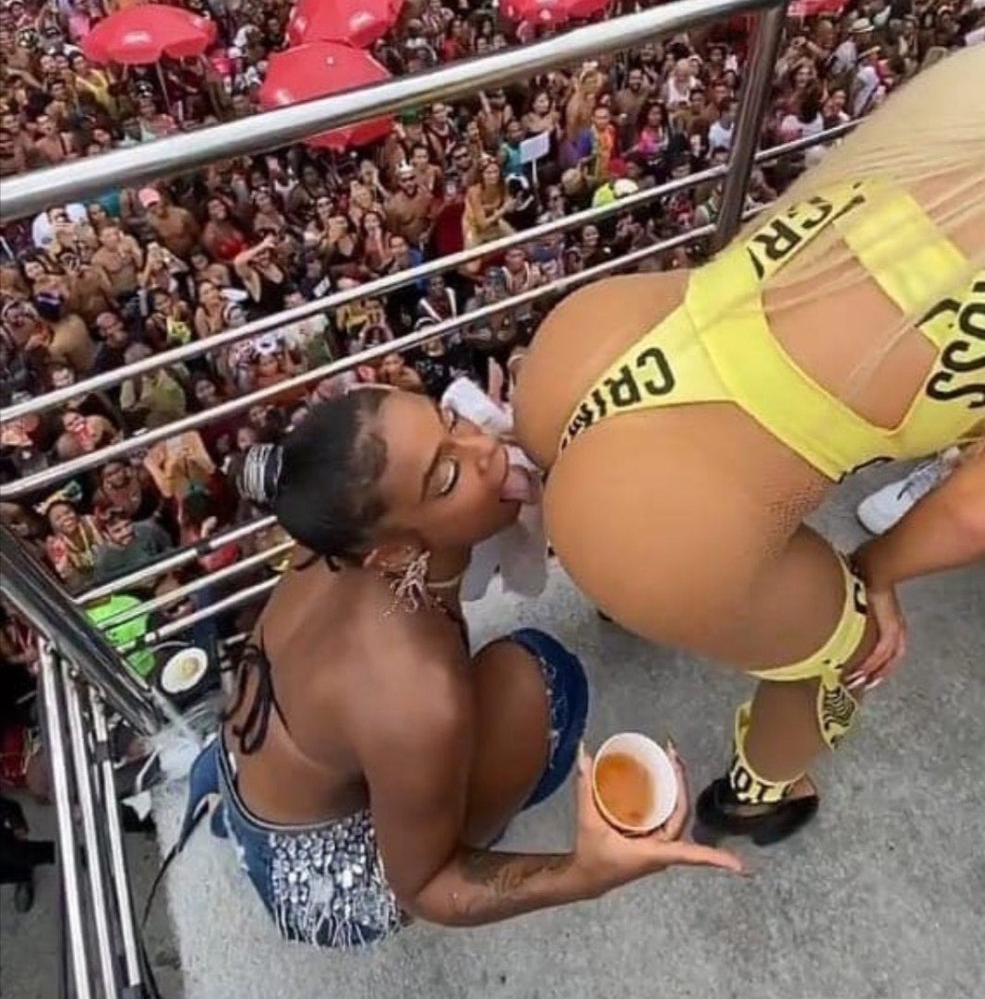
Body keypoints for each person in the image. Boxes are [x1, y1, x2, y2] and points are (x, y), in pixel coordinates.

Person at [511, 47, 984, 842]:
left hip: (598, 340)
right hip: (661, 520)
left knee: (640, 529)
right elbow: (970, 513)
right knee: (855, 647)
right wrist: (874, 574)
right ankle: (759, 793)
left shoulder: (967, 83)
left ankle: (622, 586)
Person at [179, 397, 739, 949]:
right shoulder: (418, 693)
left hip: (245, 767)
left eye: (450, 420)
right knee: (544, 683)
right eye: (446, 477)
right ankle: (465, 816)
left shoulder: (338, 534)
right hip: (322, 880)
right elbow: (426, 885)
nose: (486, 448)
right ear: (395, 555)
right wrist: (582, 874)